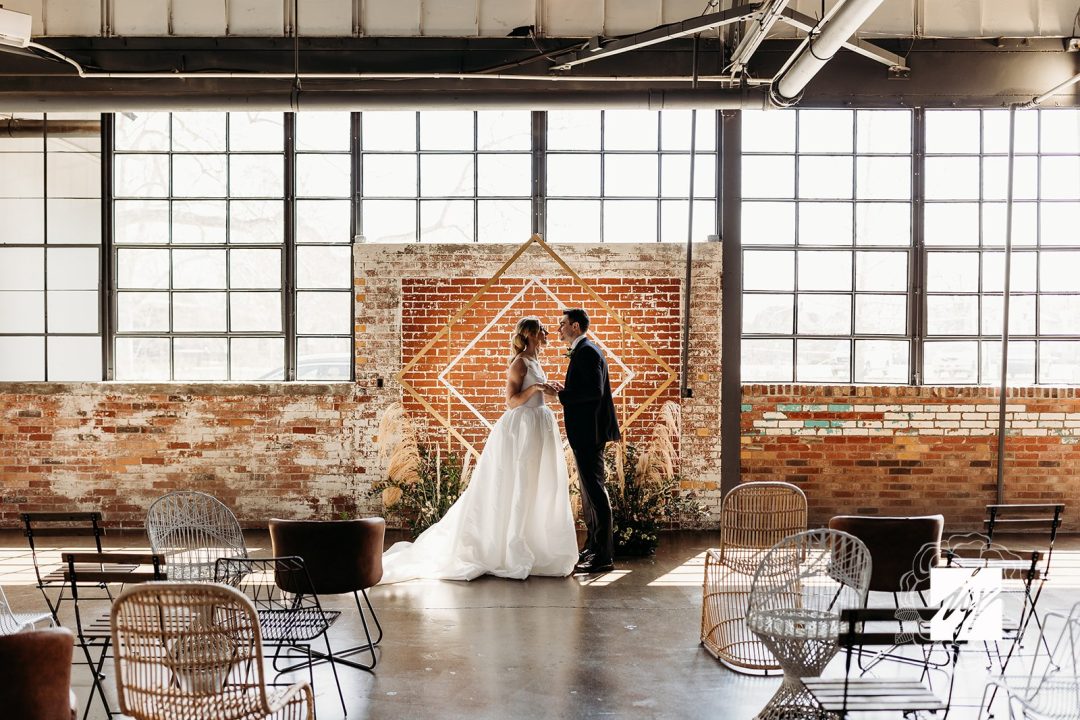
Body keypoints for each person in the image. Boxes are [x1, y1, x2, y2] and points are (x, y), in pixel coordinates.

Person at [379, 316, 579, 583]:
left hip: (538, 426)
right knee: (517, 482)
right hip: (521, 429)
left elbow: (536, 393)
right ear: (530, 333)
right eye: (542, 329)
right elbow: (511, 402)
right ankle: (509, 546)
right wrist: (536, 388)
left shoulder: (535, 361)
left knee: (534, 484)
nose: (548, 332)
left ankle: (534, 544)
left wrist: (550, 388)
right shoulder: (518, 362)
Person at [553, 308, 621, 574]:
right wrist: (566, 391)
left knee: (595, 492)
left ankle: (603, 556)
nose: (559, 329)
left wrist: (564, 395)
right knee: (588, 491)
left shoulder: (588, 351)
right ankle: (593, 547)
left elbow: (594, 392)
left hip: (589, 433)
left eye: (563, 324)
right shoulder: (584, 351)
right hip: (586, 432)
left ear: (576, 326)